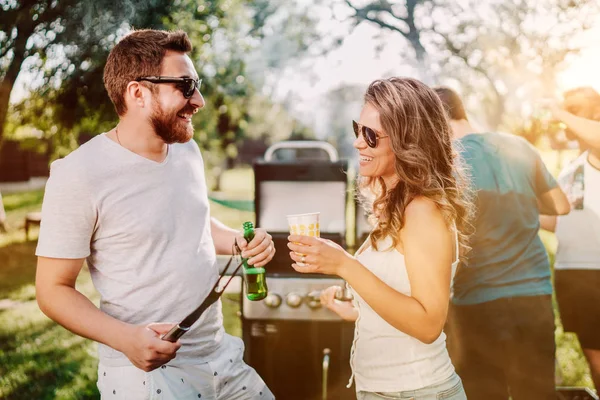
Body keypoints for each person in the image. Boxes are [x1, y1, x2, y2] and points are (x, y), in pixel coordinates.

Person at [35, 29, 275, 400]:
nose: (200, 100)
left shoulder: (186, 150)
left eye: (197, 84)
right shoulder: (78, 174)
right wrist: (127, 339)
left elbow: (192, 224)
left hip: (220, 356)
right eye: (185, 85)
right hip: (144, 376)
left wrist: (240, 242)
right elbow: (52, 291)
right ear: (138, 94)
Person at [288, 77, 472, 400]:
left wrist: (345, 266)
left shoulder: (422, 211)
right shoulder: (399, 205)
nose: (359, 142)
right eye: (358, 129)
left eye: (371, 135)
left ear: (407, 141)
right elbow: (403, 300)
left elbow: (429, 324)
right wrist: (360, 310)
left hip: (418, 392)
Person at [434, 86, 570, 400]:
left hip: (475, 302)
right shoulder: (517, 146)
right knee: (537, 393)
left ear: (437, 119)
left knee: (484, 393)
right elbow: (560, 206)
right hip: (532, 296)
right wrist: (515, 195)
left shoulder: (444, 164)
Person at [539, 87, 600, 392]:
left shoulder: (597, 152)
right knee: (594, 358)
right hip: (573, 272)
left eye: (575, 110)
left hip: (597, 270)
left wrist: (558, 112)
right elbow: (557, 221)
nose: (566, 118)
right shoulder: (573, 165)